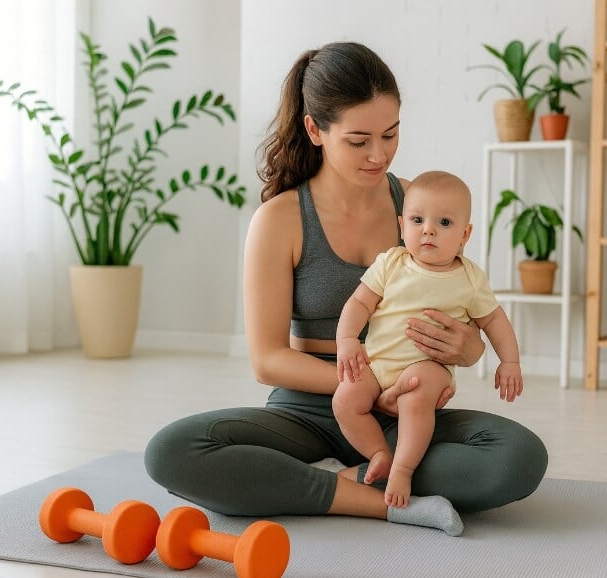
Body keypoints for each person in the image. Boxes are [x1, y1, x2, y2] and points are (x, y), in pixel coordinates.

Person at [144, 41, 547, 537]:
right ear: (315, 129)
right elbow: (267, 359)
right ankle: (378, 499)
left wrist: (469, 350)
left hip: (406, 408)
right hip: (309, 410)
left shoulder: (418, 208)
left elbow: (469, 308)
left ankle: (323, 482)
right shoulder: (281, 219)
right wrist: (365, 387)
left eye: (391, 134)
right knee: (173, 451)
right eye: (359, 141)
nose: (378, 154)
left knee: (519, 457)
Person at [333, 170, 523, 509]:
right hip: (376, 364)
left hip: (427, 368)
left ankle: (404, 469)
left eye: (444, 223)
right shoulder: (391, 263)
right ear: (402, 225)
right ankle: (380, 454)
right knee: (345, 400)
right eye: (417, 220)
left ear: (465, 234)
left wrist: (509, 361)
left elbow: (494, 320)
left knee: (416, 397)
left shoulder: (469, 277)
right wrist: (347, 339)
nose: (428, 230)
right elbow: (360, 302)